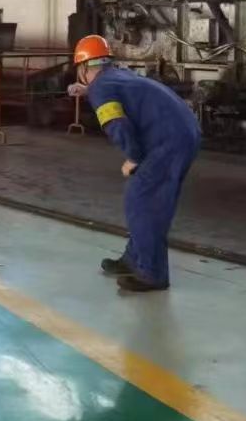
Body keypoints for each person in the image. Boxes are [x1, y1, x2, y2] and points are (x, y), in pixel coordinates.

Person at [69, 35, 201, 292]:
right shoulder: (116, 76)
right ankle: (134, 259)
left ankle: (151, 274)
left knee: (142, 201)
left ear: (83, 68)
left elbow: (118, 126)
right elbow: (123, 95)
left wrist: (133, 158)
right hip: (183, 131)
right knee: (145, 200)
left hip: (169, 141)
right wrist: (88, 91)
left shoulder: (101, 88)